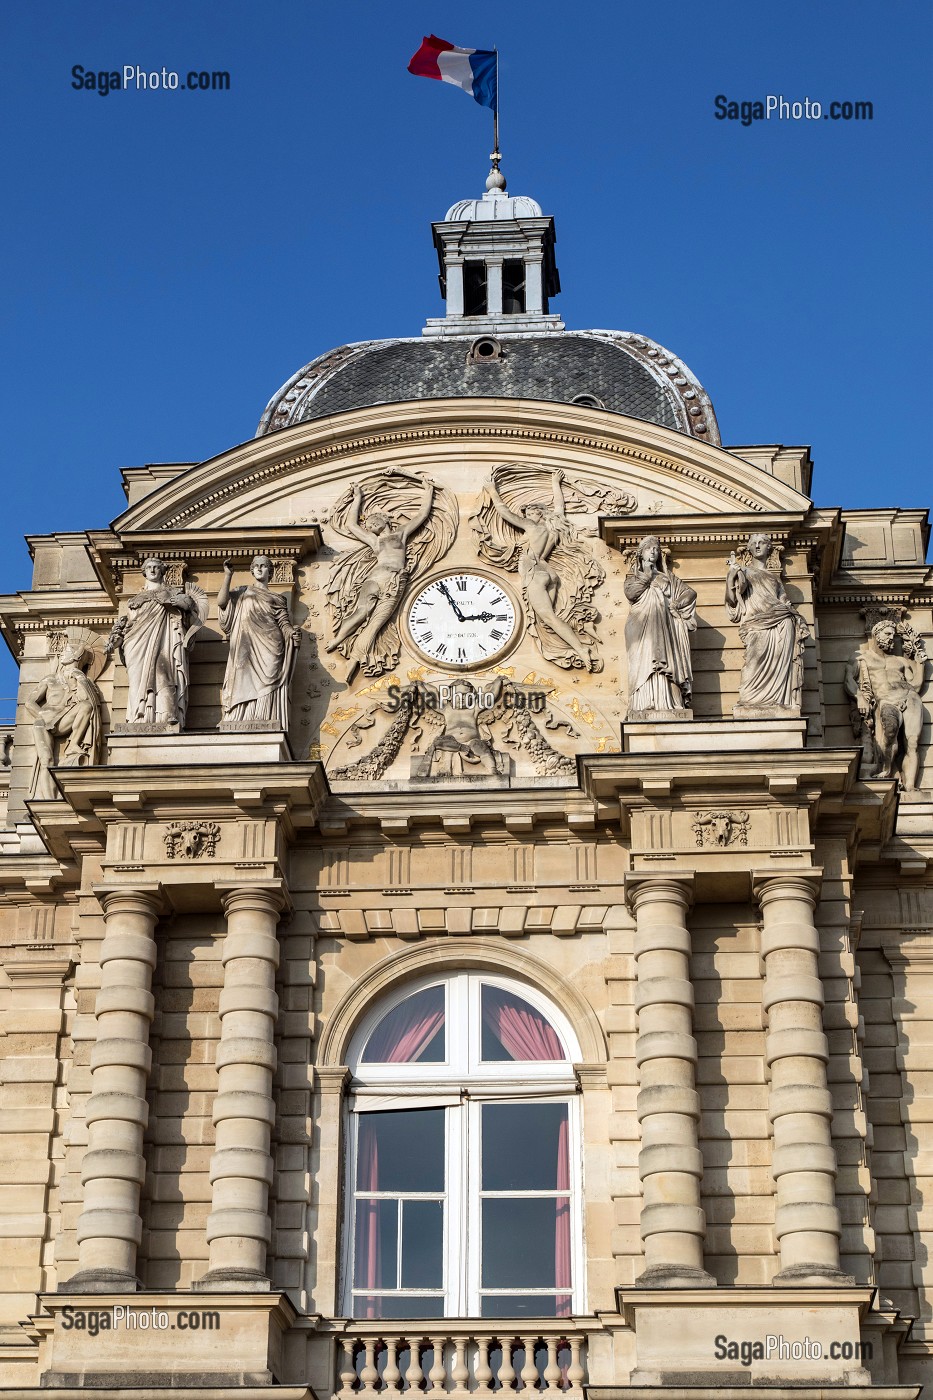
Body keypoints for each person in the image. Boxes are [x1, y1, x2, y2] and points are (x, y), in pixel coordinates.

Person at [484, 469, 599, 671]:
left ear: (536, 514)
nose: (527, 516)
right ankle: (576, 647)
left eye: (529, 513)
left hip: (535, 572)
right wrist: (556, 483)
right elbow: (560, 508)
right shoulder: (554, 527)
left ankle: (580, 649)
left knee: (548, 617)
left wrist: (492, 490)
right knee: (548, 619)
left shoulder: (531, 526)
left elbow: (504, 512)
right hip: (550, 574)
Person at [326, 472, 434, 681]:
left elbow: (421, 515)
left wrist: (428, 491)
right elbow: (352, 526)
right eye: (369, 524)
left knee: (377, 622)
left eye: (374, 521)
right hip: (376, 577)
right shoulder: (375, 542)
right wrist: (357, 498)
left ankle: (355, 658)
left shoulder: (401, 534)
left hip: (395, 580)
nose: (370, 525)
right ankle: (338, 638)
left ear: (384, 519)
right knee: (362, 611)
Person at [106, 557, 203, 725]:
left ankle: (166, 715)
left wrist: (183, 605)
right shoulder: (135, 600)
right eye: (149, 567)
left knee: (164, 673)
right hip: (136, 644)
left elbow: (190, 618)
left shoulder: (172, 593)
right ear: (144, 571)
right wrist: (117, 640)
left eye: (156, 567)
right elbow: (130, 624)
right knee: (137, 681)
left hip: (164, 640)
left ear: (162, 571)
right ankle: (139, 716)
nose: (152, 570)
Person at [725, 533, 809, 711]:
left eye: (761, 543)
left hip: (781, 624)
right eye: (753, 543)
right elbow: (733, 599)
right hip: (756, 625)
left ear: (768, 548)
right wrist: (730, 577)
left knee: (779, 665)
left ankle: (778, 701)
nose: (757, 546)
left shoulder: (775, 579)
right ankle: (752, 700)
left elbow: (784, 602)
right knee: (753, 664)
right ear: (748, 548)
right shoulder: (744, 572)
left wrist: (795, 618)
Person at [844, 617, 927, 791]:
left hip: (910, 697)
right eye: (887, 633)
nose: (891, 637)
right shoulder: (862, 657)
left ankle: (910, 786)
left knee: (912, 742)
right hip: (886, 699)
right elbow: (848, 680)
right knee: (890, 732)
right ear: (876, 634)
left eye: (893, 635)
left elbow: (916, 685)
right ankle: (886, 768)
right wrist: (859, 696)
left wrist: (920, 665)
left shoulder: (901, 661)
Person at [218, 555, 301, 726]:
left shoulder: (278, 598)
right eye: (256, 566)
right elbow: (221, 602)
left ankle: (264, 717)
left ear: (270, 572)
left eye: (264, 566)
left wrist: (292, 633)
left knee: (269, 678)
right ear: (252, 569)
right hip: (246, 641)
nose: (259, 568)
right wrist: (228, 576)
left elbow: (284, 623)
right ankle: (240, 717)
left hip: (271, 643)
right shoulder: (242, 591)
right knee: (242, 676)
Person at [623, 536, 697, 716]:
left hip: (665, 627)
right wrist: (647, 576)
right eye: (649, 549)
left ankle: (668, 701)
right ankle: (644, 701)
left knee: (665, 660)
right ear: (641, 554)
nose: (653, 552)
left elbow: (690, 593)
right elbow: (631, 593)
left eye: (656, 549)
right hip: (642, 627)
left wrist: (677, 604)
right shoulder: (634, 577)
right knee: (645, 660)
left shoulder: (668, 578)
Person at [27, 642, 103, 799]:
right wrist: (42, 715)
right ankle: (50, 800)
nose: (62, 654)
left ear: (76, 656)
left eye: (67, 651)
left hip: (64, 719)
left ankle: (73, 744)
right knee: (47, 760)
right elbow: (30, 702)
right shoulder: (50, 680)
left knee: (85, 706)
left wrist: (79, 678)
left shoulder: (82, 680)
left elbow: (88, 702)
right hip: (43, 723)